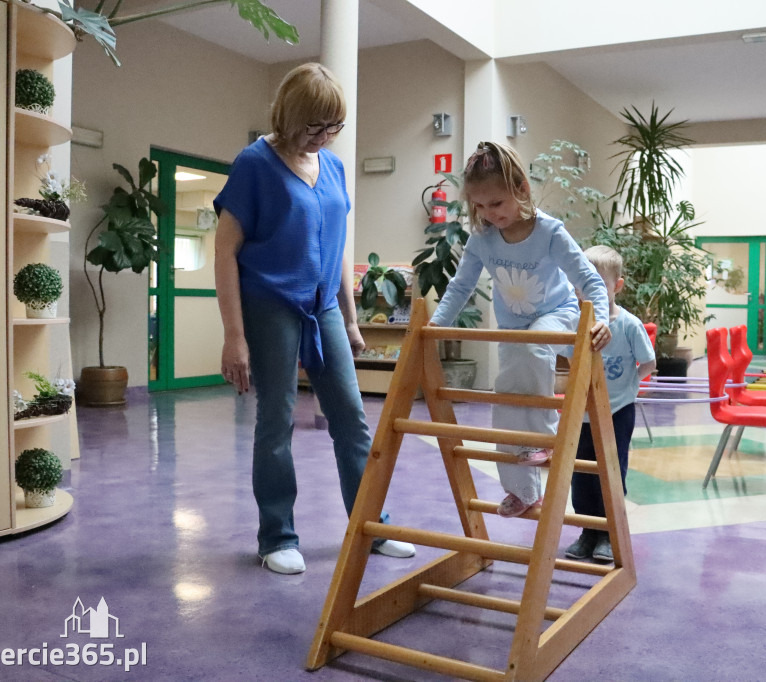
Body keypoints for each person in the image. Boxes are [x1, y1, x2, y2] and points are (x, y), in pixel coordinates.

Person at [214, 62, 414, 575]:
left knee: (351, 418)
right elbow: (225, 253)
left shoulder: (334, 168)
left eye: (334, 128)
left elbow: (338, 251)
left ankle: (371, 524)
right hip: (270, 306)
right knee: (276, 421)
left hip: (323, 306)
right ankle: (276, 536)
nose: (324, 138)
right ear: (289, 117)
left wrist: (350, 320)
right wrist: (234, 336)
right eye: (314, 127)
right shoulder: (254, 164)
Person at [429, 141, 611, 518]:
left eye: (496, 204)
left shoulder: (549, 233)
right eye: (479, 206)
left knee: (533, 349)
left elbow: (591, 283)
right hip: (513, 325)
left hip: (555, 314)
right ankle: (523, 493)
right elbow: (460, 286)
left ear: (522, 190)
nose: (488, 213)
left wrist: (603, 319)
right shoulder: (482, 238)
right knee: (506, 399)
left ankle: (545, 438)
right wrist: (434, 328)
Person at [565, 245, 656, 562]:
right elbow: (566, 363)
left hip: (617, 411)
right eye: (582, 283)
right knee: (581, 471)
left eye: (599, 285)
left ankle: (607, 532)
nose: (589, 292)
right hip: (583, 412)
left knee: (610, 469)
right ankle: (588, 530)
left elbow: (648, 362)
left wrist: (630, 387)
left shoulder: (628, 325)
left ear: (617, 286)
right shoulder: (575, 323)